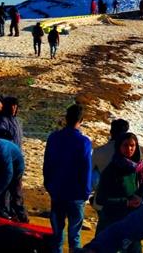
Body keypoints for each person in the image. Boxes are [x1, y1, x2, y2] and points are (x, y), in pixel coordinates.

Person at [45, 104, 93, 253]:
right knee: (75, 236)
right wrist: (86, 192)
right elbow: (86, 169)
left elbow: (47, 164)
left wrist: (49, 185)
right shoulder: (84, 142)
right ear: (82, 120)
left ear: (66, 118)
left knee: (57, 234)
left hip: (58, 191)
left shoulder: (54, 137)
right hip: (76, 194)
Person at [94, 132, 143, 252]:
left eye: (132, 145)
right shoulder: (111, 170)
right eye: (125, 145)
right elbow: (100, 199)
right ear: (119, 146)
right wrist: (126, 202)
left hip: (131, 220)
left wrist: (140, 197)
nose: (129, 149)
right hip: (111, 220)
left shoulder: (139, 168)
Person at [92, 119, 131, 202]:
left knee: (94, 170)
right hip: (127, 199)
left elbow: (89, 172)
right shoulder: (134, 153)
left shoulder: (99, 152)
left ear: (111, 132)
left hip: (104, 199)